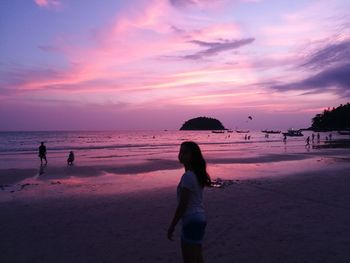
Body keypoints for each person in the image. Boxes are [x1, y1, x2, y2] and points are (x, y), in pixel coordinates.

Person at [167, 141, 211, 263]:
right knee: (198, 257)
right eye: (180, 151)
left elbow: (183, 204)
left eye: (185, 152)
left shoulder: (188, 176)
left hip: (191, 219)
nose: (181, 154)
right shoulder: (197, 175)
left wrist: (172, 225)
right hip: (200, 218)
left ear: (193, 156)